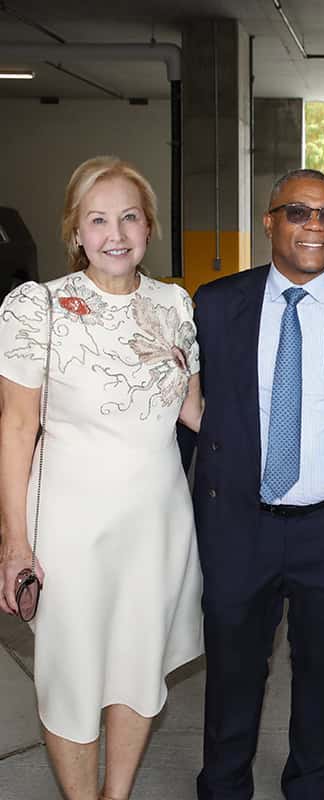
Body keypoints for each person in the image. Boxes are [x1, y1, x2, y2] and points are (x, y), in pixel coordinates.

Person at [187, 168, 324, 800]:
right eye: (299, 213)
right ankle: (223, 788)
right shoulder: (216, 303)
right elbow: (183, 409)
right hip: (238, 526)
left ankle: (310, 786)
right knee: (231, 674)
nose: (316, 226)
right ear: (269, 221)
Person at [0, 155, 204, 800]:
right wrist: (14, 544)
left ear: (148, 227)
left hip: (158, 523)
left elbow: (198, 413)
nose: (115, 233)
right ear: (76, 231)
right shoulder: (39, 308)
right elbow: (15, 428)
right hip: (69, 527)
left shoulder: (175, 303)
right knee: (72, 674)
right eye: (98, 220)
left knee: (139, 668)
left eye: (129, 217)